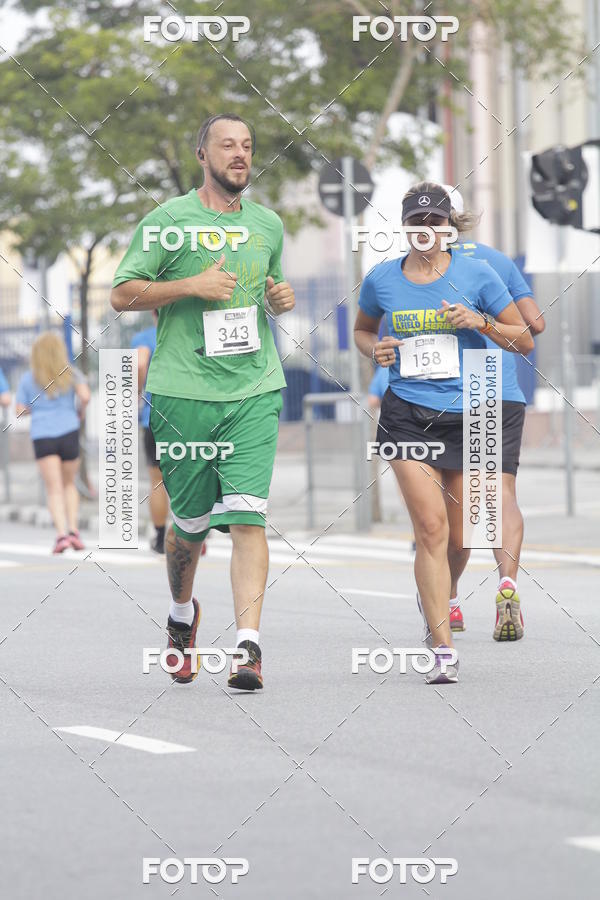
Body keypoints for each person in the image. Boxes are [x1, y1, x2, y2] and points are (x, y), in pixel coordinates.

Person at [110, 113, 295, 691]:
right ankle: (182, 615)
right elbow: (121, 294)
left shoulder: (268, 225)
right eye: (227, 146)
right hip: (182, 393)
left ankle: (249, 649)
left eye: (247, 146)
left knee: (247, 517)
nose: (240, 155)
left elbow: (272, 286)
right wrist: (190, 286)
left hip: (253, 389)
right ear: (202, 154)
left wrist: (278, 295)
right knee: (187, 528)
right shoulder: (167, 222)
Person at [354, 181, 533, 684]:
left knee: (462, 537)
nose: (426, 230)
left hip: (470, 409)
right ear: (405, 227)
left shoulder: (477, 273)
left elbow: (522, 338)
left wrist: (480, 321)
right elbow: (364, 330)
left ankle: (438, 596)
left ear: (449, 227)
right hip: (408, 410)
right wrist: (376, 349)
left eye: (435, 222)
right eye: (417, 222)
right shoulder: (382, 279)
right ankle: (442, 646)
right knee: (430, 529)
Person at [439, 186, 545, 639]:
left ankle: (449, 600)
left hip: (446, 394)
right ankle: (506, 583)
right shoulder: (494, 260)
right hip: (498, 386)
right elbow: (534, 324)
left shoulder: (413, 268)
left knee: (455, 508)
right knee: (501, 493)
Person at [15, 332, 90, 553]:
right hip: (69, 431)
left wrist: (34, 410)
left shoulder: (28, 378)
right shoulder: (71, 373)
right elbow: (85, 396)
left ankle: (61, 536)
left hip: (43, 435)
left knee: (54, 488)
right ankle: (74, 531)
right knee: (69, 484)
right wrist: (80, 412)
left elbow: (19, 410)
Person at [131, 310, 170, 554]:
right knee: (190, 476)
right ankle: (196, 535)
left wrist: (137, 393)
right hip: (189, 416)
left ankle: (160, 537)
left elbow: (141, 362)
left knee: (157, 481)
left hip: (155, 417)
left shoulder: (145, 337)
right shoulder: (188, 334)